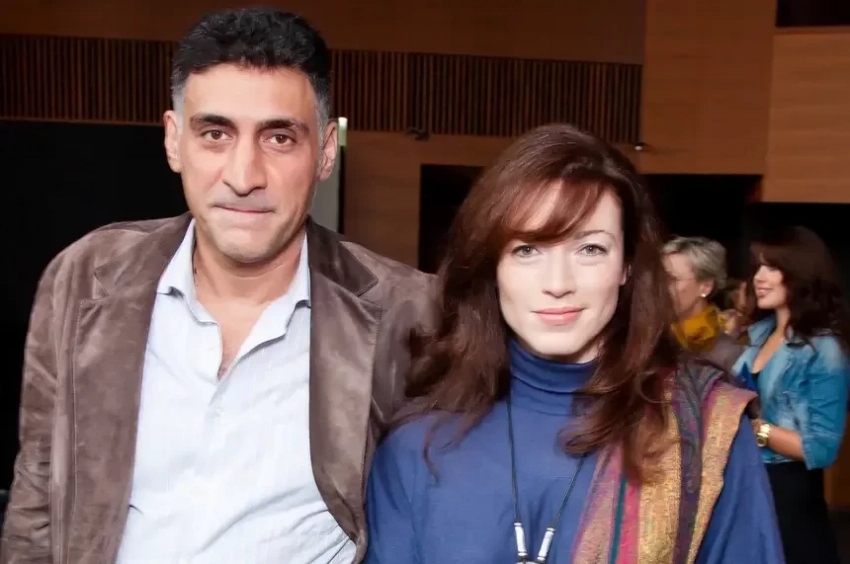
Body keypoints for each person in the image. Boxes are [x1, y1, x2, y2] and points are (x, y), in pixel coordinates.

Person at [0, 9, 432, 564]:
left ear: (325, 152)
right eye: (215, 134)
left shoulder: (407, 312)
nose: (243, 176)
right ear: (174, 140)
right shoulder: (86, 277)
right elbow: (38, 494)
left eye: (279, 138)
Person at [365, 124, 784, 563]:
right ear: (492, 267)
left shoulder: (701, 434)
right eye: (528, 250)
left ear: (626, 266)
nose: (558, 283)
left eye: (590, 250)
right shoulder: (419, 446)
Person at [732, 226, 850, 564]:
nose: (759, 277)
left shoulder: (823, 349)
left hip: (788, 495)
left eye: (772, 267)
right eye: (758, 266)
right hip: (746, 480)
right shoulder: (757, 335)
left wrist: (755, 430)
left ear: (800, 273)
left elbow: (821, 448)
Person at [663, 236, 743, 370]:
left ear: (706, 286)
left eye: (672, 279)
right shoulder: (653, 337)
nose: (661, 288)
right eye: (659, 279)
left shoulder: (727, 351)